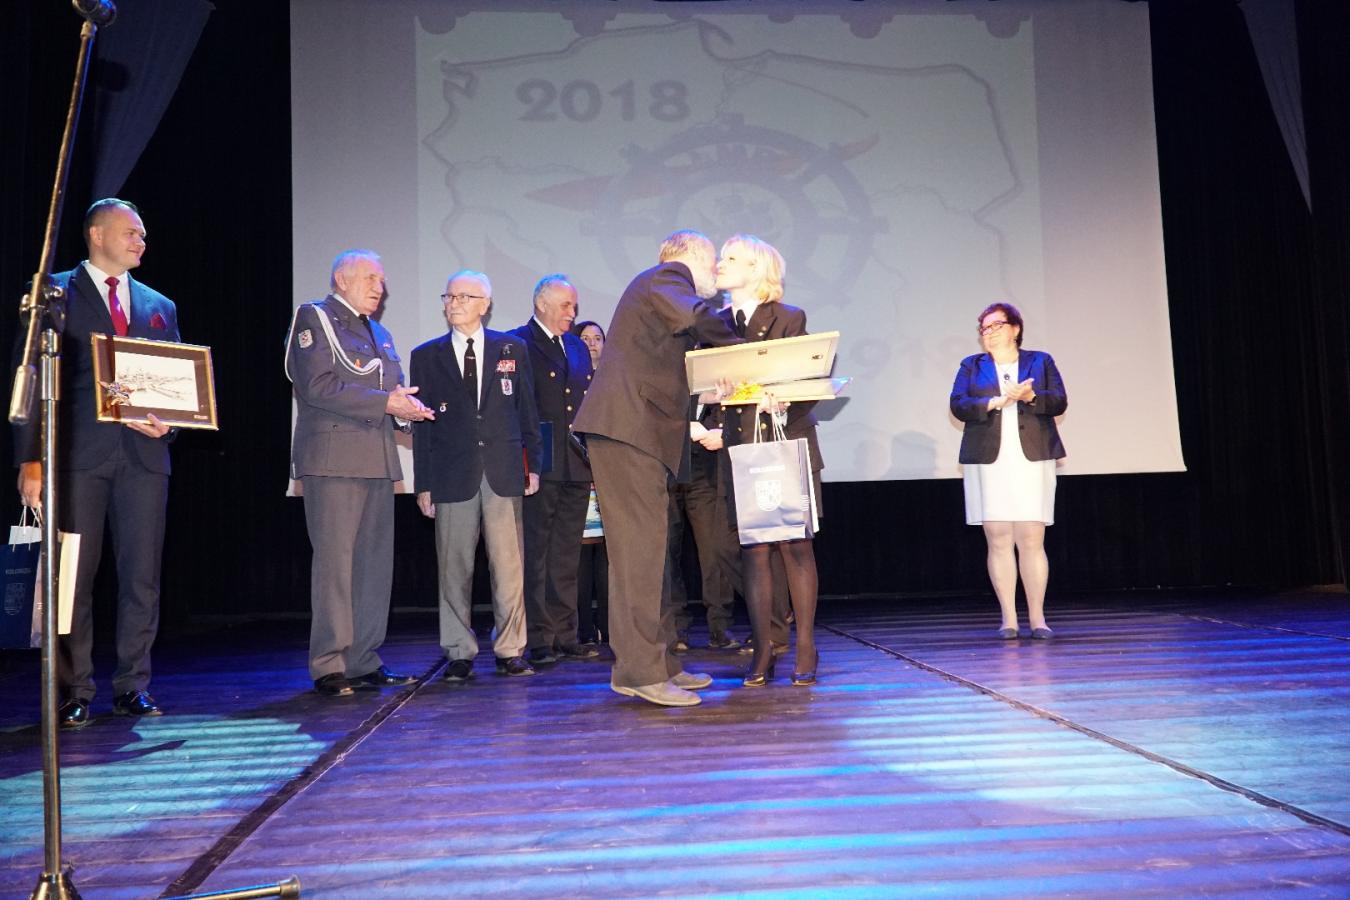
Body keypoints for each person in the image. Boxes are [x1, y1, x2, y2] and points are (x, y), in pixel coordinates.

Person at [12, 198, 179, 726]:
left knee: (141, 577)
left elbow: (175, 380)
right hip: (75, 458)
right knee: (72, 578)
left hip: (144, 459)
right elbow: (29, 377)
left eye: (143, 234)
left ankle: (133, 686)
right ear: (97, 234)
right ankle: (75, 689)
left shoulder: (159, 304)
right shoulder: (54, 292)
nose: (140, 241)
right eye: (131, 232)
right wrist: (31, 459)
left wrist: (170, 424)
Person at [572, 230, 742, 707]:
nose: (716, 272)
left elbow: (662, 368)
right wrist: (743, 342)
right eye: (714, 261)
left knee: (649, 556)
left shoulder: (658, 294)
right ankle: (641, 672)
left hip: (638, 434)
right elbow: (696, 316)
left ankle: (656, 665)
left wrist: (709, 388)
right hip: (629, 432)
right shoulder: (668, 277)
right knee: (639, 557)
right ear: (692, 256)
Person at [287, 249, 432, 696]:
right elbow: (317, 386)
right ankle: (329, 663)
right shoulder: (315, 318)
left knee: (374, 566)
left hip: (378, 459)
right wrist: (387, 402)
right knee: (336, 565)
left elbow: (390, 391)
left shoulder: (380, 332)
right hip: (334, 460)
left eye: (382, 280)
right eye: (370, 278)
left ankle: (364, 660)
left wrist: (407, 410)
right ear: (341, 279)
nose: (379, 287)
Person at [411, 270, 543, 681]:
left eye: (463, 297)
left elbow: (527, 411)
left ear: (485, 305)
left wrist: (534, 465)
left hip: (503, 470)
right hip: (451, 474)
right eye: (448, 296)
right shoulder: (426, 356)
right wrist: (424, 483)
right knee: (454, 568)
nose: (453, 303)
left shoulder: (512, 348)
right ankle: (458, 652)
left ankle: (510, 649)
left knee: (508, 567)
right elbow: (422, 426)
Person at [715, 234, 825, 687]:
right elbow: (701, 385)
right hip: (741, 449)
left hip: (785, 441)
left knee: (796, 545)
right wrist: (711, 403)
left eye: (731, 258)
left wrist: (784, 400)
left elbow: (809, 381)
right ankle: (764, 646)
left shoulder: (788, 317)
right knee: (754, 550)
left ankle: (805, 645)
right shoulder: (714, 323)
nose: (719, 264)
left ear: (756, 269)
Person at [949, 302, 1067, 640]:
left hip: (1032, 456)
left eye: (996, 325)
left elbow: (1059, 401)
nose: (989, 332)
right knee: (998, 537)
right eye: (984, 328)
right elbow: (958, 405)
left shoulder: (1040, 361)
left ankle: (1038, 619)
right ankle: (1009, 619)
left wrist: (1030, 396)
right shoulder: (971, 365)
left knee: (1031, 537)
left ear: (1015, 328)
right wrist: (992, 402)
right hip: (989, 459)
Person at [509, 275, 599, 666]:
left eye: (574, 306)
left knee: (566, 552)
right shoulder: (518, 342)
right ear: (542, 304)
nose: (572, 313)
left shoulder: (577, 346)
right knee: (537, 552)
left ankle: (566, 633)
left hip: (576, 460)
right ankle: (539, 637)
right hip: (539, 460)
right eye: (565, 305)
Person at [570, 320, 608, 645]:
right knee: (580, 559)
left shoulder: (613, 381)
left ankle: (609, 629)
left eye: (598, 338)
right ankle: (583, 631)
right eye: (585, 338)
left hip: (610, 476)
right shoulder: (570, 381)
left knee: (608, 560)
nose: (592, 343)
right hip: (578, 473)